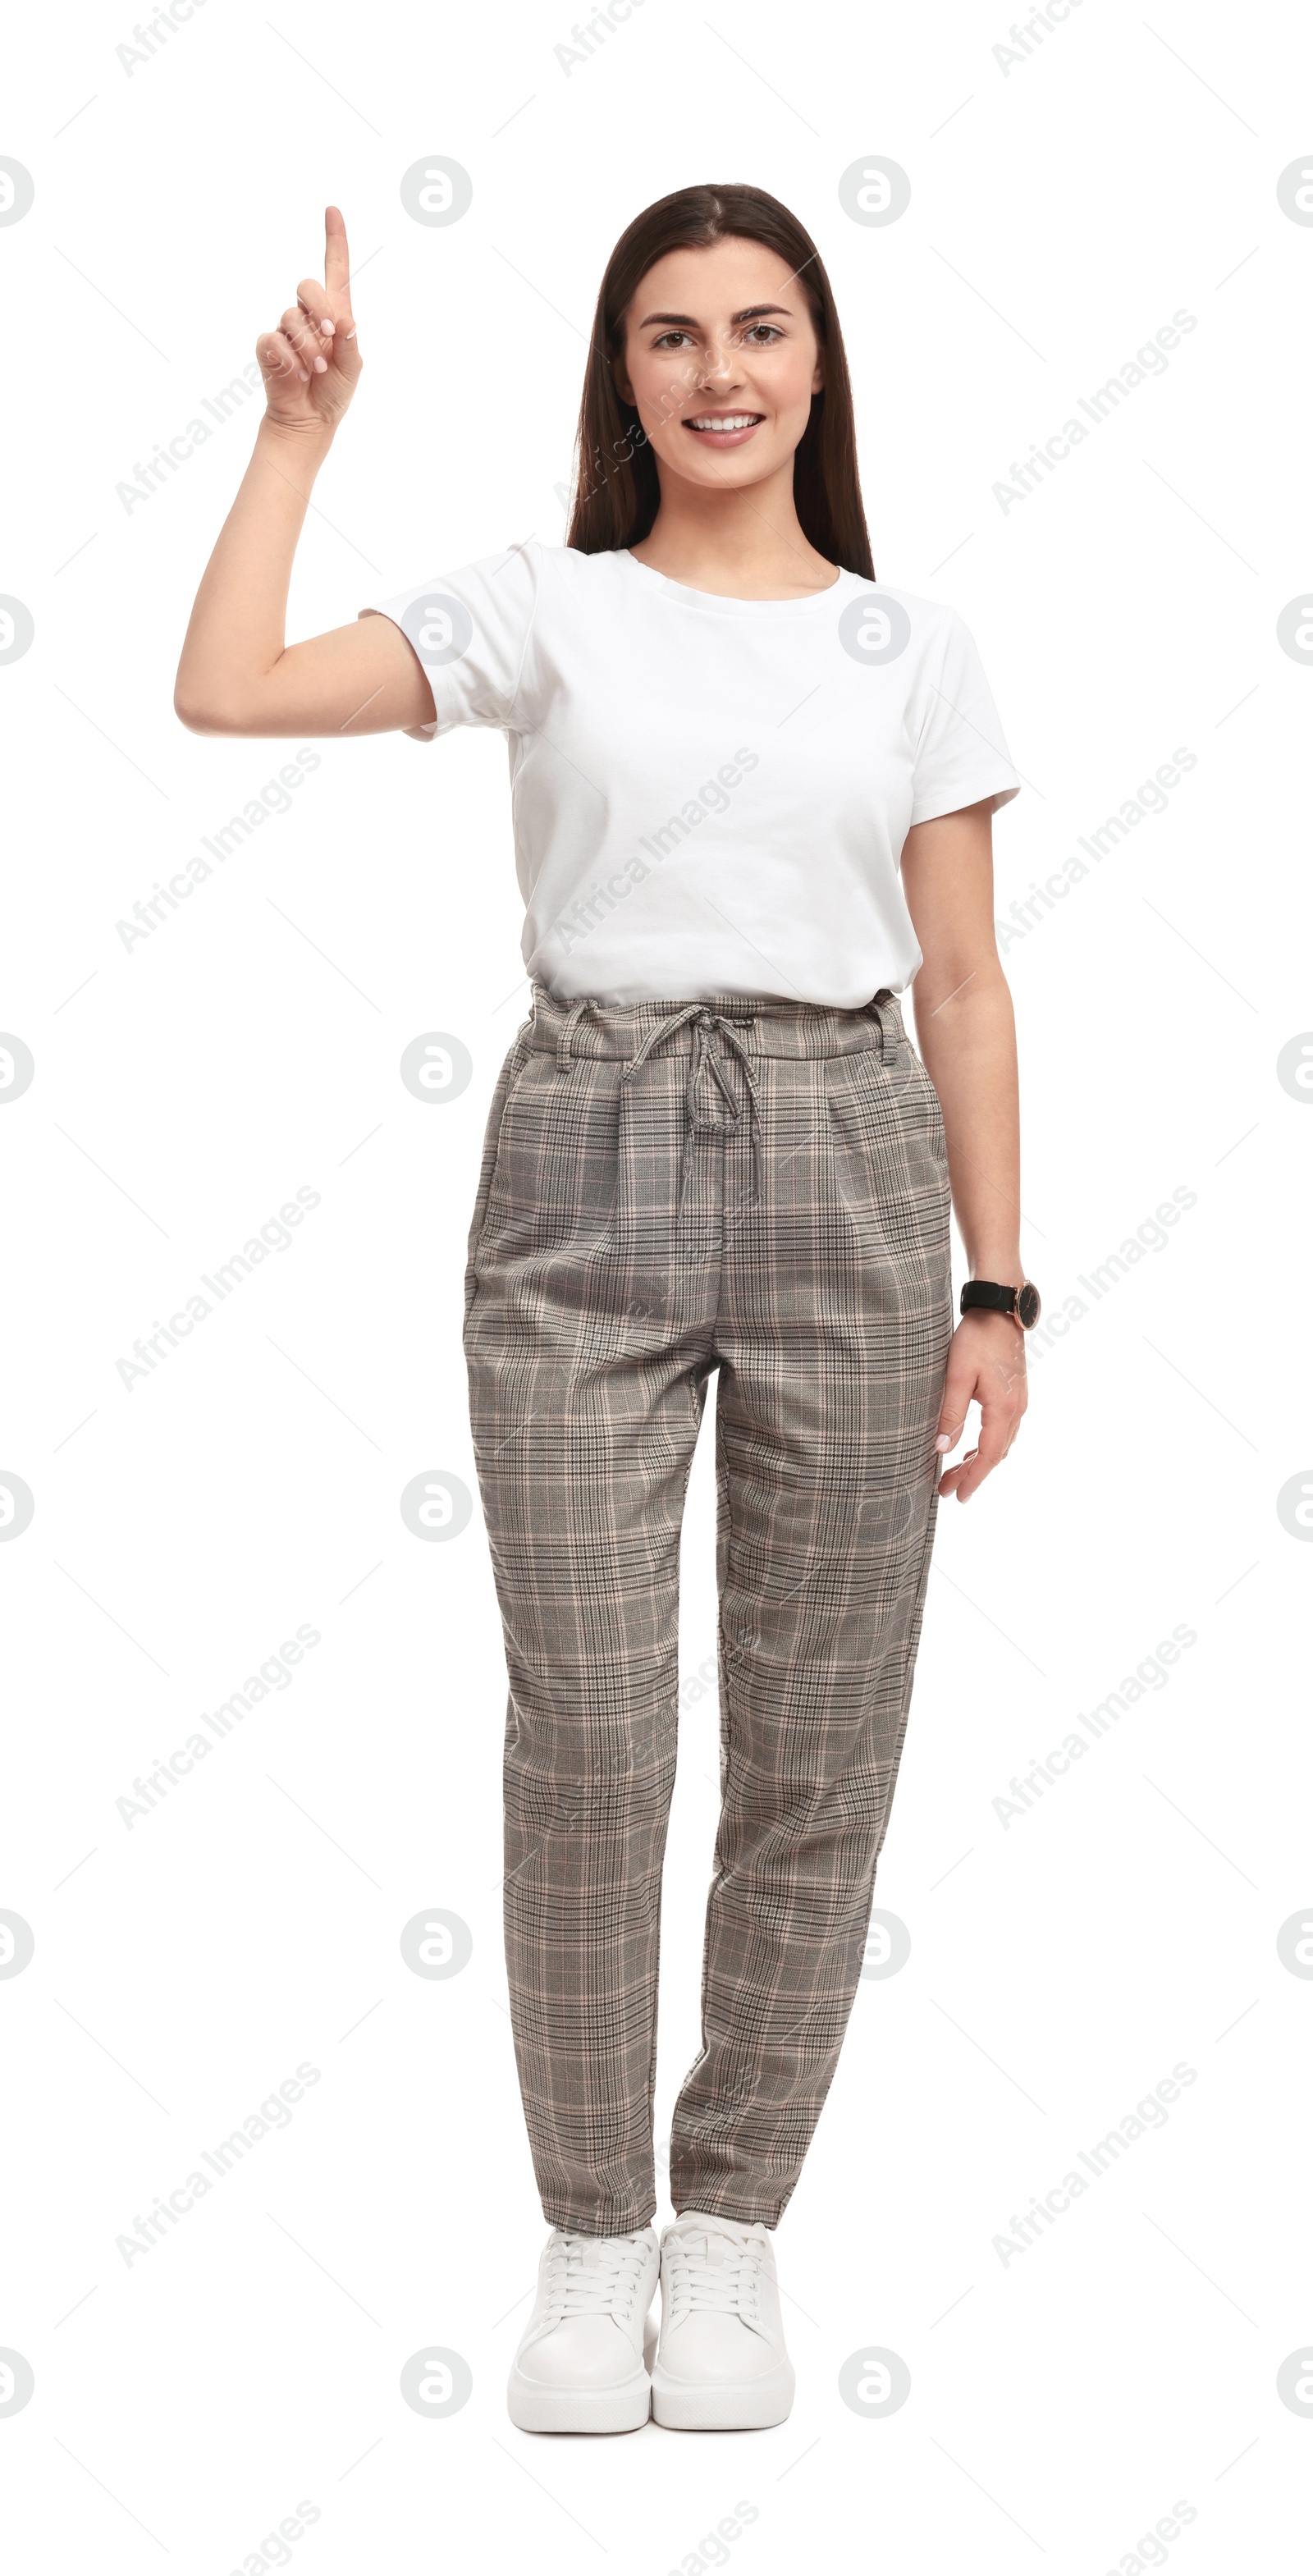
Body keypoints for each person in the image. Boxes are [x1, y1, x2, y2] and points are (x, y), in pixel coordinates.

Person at [175, 181, 1038, 2437]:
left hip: (856, 1159)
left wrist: (1002, 1282)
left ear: (820, 364)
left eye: (762, 329)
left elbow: (962, 975)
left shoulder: (912, 643)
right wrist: (298, 434)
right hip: (586, 1151)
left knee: (821, 1721)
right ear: (622, 374)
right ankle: (587, 2231)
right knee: (591, 1718)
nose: (722, 371)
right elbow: (229, 688)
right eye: (674, 334)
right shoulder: (541, 607)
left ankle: (731, 2226)